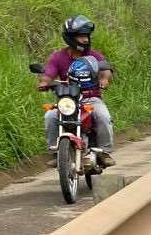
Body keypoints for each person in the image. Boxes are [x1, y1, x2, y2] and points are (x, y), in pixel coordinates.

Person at [39, 15, 115, 166]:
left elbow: (106, 70)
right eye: (81, 36)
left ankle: (105, 152)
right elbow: (48, 74)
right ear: (70, 38)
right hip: (67, 100)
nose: (85, 40)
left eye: (86, 36)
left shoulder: (94, 55)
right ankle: (56, 152)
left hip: (91, 98)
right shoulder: (58, 57)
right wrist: (44, 82)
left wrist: (104, 79)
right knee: (50, 116)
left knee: (104, 117)